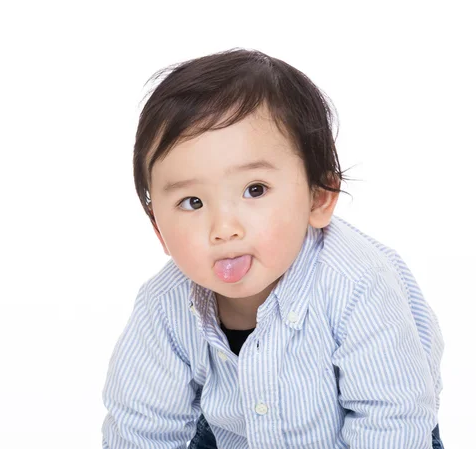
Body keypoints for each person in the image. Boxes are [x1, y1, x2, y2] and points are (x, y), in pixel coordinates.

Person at [101, 48, 445, 449]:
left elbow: (392, 417)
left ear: (319, 197)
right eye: (192, 203)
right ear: (158, 228)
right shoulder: (163, 306)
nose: (224, 228)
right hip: (235, 436)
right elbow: (141, 427)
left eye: (255, 190)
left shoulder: (357, 284)